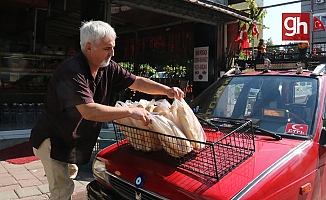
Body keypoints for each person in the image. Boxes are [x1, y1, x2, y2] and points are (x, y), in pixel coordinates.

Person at [29, 20, 184, 200]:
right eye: (107, 48)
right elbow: (89, 111)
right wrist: (130, 111)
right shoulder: (72, 71)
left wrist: (166, 91)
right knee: (61, 190)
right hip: (53, 140)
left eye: (112, 47)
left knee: (68, 176)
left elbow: (137, 81)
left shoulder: (108, 67)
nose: (112, 53)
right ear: (88, 47)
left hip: (71, 139)